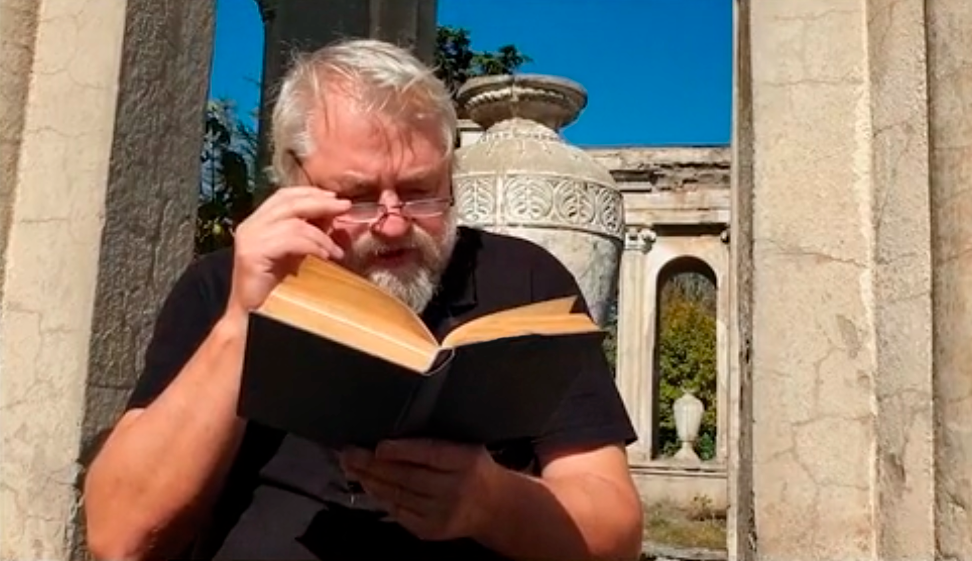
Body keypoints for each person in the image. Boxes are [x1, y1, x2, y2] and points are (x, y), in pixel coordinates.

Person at [83, 38, 643, 561]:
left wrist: (490, 502)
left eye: (421, 191)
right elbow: (121, 536)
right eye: (356, 197)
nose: (394, 224)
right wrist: (241, 322)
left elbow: (616, 530)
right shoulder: (219, 287)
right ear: (292, 181)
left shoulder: (524, 282)